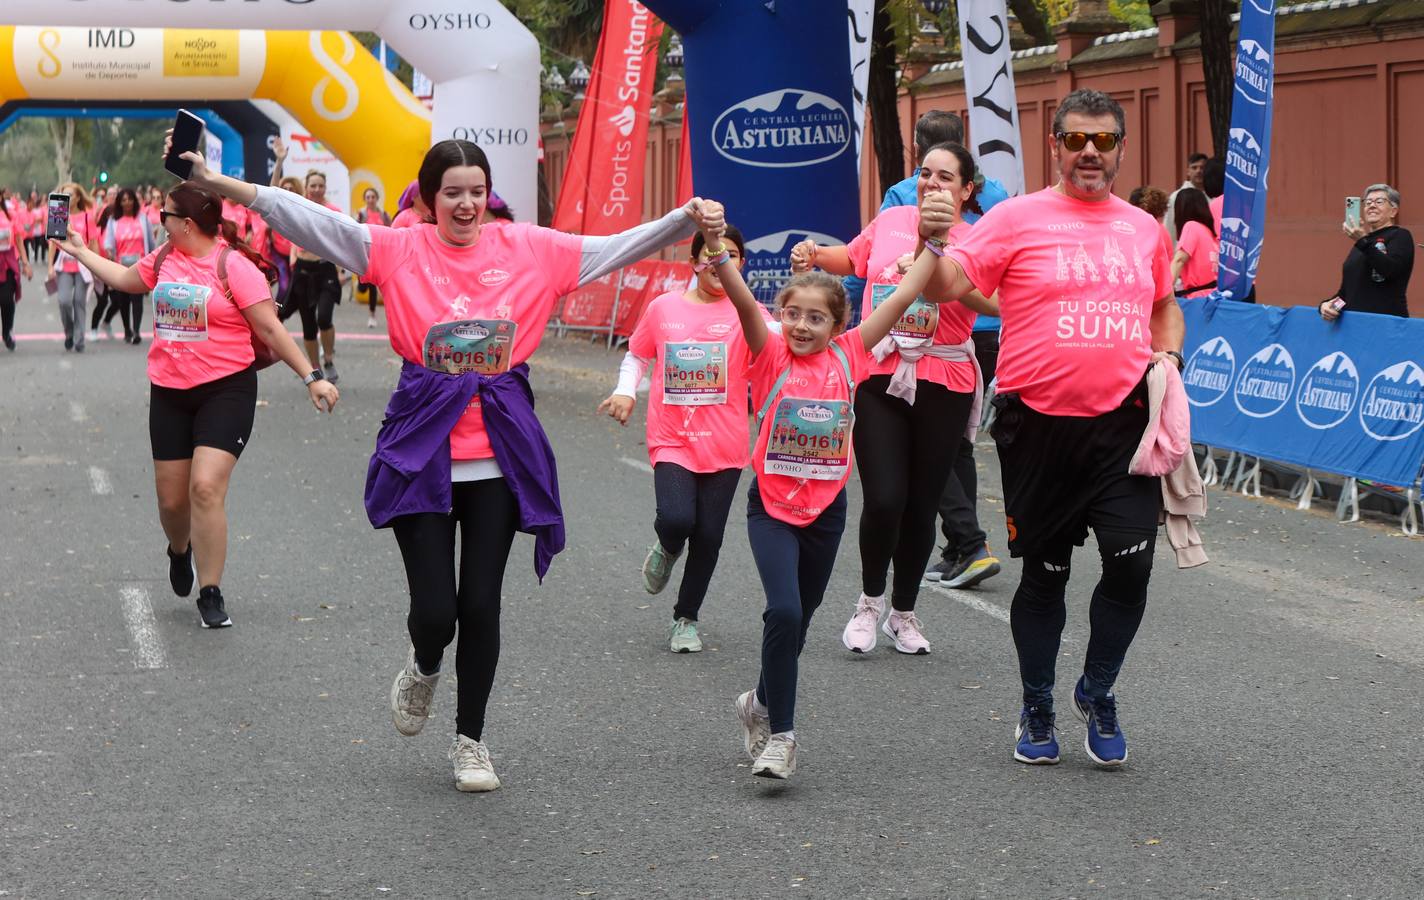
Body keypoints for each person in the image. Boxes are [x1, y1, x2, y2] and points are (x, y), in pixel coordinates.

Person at [180, 136, 710, 793]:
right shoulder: (399, 249)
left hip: (499, 449)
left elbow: (610, 250)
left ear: (489, 198)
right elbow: (308, 219)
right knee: (437, 611)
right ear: (430, 201)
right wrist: (219, 181)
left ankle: (472, 742)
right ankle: (425, 664)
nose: (466, 203)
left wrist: (681, 220)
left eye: (476, 192)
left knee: (481, 604)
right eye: (452, 192)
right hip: (422, 444)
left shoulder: (528, 249)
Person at [920, 89, 1182, 768]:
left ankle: (1097, 691)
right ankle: (1037, 703)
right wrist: (933, 239)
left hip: (1123, 427)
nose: (1089, 152)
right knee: (1047, 573)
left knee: (1134, 564)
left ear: (1122, 148)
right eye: (1074, 140)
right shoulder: (1015, 219)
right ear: (1056, 146)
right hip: (1036, 429)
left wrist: (1169, 357)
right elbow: (946, 284)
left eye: (1102, 140)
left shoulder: (1143, 229)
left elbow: (1163, 305)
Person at [708, 198, 953, 779]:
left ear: (837, 327)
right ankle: (783, 737)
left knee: (800, 619)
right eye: (793, 314)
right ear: (781, 314)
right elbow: (743, 299)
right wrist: (717, 248)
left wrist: (933, 244)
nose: (801, 326)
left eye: (816, 319)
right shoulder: (766, 353)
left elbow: (898, 299)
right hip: (770, 507)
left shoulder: (851, 356)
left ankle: (759, 703)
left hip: (826, 512)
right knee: (784, 611)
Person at [52, 179, 341, 628]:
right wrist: (79, 251)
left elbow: (269, 329)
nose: (158, 221)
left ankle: (211, 591)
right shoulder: (165, 257)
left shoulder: (233, 267)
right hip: (169, 390)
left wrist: (312, 377)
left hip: (227, 389)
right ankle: (179, 549)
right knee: (172, 503)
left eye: (164, 215)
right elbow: (127, 280)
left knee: (205, 487)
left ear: (185, 223)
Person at [789, 143, 996, 655]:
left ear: (967, 190)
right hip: (880, 368)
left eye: (945, 177)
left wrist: (938, 271)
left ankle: (903, 613)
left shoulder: (978, 238)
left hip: (944, 377)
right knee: (884, 497)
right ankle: (868, 602)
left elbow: (993, 301)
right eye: (925, 173)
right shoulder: (894, 218)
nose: (931, 183)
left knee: (922, 504)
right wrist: (814, 254)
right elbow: (854, 259)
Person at [596, 225, 758, 654]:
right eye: (709, 254)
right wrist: (626, 391)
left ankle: (685, 618)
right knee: (677, 519)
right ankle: (667, 547)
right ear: (694, 262)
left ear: (741, 264)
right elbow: (638, 353)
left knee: (709, 537)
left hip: (725, 445)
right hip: (673, 437)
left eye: (729, 255)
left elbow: (783, 355)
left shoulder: (749, 314)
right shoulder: (665, 307)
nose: (717, 262)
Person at [283, 169, 347, 380]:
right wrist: (293, 252)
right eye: (313, 186)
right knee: (308, 327)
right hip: (303, 271)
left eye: (321, 185)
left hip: (325, 269)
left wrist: (341, 270)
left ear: (325, 188)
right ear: (307, 187)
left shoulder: (333, 210)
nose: (317, 189)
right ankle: (315, 367)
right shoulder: (300, 207)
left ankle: (328, 359)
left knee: (324, 318)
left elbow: (341, 242)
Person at [1320, 183, 1414, 320]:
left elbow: (1390, 270)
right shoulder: (1362, 243)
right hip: (1356, 326)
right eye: (1368, 202)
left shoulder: (1400, 235)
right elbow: (1347, 294)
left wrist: (1362, 241)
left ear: (1393, 211)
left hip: (1386, 323)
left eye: (1379, 202)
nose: (1372, 205)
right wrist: (1327, 306)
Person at [47, 182, 99, 353]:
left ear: (77, 198)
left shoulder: (87, 216)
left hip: (83, 266)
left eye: (70, 195)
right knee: (64, 301)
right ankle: (69, 332)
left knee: (79, 301)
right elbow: (53, 244)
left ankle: (79, 339)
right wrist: (50, 267)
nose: (67, 198)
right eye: (64, 194)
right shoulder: (59, 213)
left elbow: (93, 243)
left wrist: (97, 266)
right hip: (64, 265)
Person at [0, 190, 35, 351]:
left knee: (7, 300)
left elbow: (19, 239)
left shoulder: (10, 215)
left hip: (7, 264)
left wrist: (26, 263)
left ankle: (7, 332)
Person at [1171, 187, 1219, 299]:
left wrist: (1164, 292)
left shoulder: (1191, 226)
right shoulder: (1210, 234)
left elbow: (1179, 260)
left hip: (1197, 300)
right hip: (1214, 297)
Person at [356, 187, 392, 328]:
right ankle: (359, 283)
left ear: (377, 198)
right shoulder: (361, 213)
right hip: (364, 254)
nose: (370, 199)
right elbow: (354, 231)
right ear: (365, 199)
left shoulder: (383, 214)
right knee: (362, 288)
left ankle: (372, 316)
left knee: (372, 286)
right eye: (368, 197)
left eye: (373, 197)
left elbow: (391, 231)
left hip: (378, 255)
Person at [1163, 152, 1207, 242]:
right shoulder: (1176, 197)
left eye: (1202, 167)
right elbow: (1169, 226)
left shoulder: (1213, 197)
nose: (1198, 171)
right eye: (1194, 167)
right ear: (1188, 171)